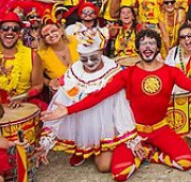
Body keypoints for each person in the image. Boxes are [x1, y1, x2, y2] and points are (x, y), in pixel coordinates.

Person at [43, 29, 191, 181]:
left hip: (160, 128)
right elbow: (98, 96)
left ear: (157, 48)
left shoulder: (171, 72)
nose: (147, 47)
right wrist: (67, 110)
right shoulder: (127, 74)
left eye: (151, 43)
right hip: (134, 133)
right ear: (138, 48)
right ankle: (142, 150)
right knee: (120, 174)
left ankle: (149, 153)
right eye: (143, 43)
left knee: (186, 162)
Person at [39, 30, 137, 169]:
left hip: (105, 128)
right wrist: (46, 143)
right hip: (81, 124)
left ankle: (98, 147)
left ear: (101, 53)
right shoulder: (74, 72)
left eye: (93, 58)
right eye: (84, 59)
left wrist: (132, 140)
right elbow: (60, 106)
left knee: (104, 166)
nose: (89, 63)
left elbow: (117, 106)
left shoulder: (113, 73)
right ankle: (83, 146)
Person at [0, 12, 45, 107]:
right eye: (5, 28)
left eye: (15, 29)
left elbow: (38, 86)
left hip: (23, 104)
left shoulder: (32, 56)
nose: (10, 32)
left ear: (19, 33)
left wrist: (21, 97)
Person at [37, 19, 78, 92]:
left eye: (53, 31)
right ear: (44, 40)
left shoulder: (76, 40)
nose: (51, 35)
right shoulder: (41, 55)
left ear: (61, 31)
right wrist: (48, 82)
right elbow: (37, 77)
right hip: (65, 93)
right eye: (46, 35)